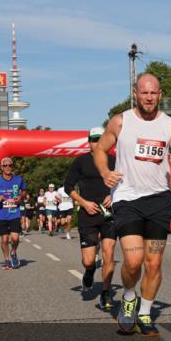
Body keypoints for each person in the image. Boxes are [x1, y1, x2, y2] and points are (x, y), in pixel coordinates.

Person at [95, 73, 171, 338]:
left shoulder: (169, 125)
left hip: (159, 202)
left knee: (153, 264)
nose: (149, 97)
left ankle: (146, 312)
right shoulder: (120, 121)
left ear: (160, 94)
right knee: (134, 260)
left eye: (154, 93)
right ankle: (128, 296)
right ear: (135, 93)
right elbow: (100, 149)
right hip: (127, 199)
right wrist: (105, 173)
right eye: (144, 93)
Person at [65, 126, 119, 309]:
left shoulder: (115, 161)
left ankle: (105, 294)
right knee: (89, 260)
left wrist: (114, 196)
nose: (96, 143)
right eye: (93, 140)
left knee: (109, 253)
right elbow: (68, 187)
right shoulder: (80, 162)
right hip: (88, 215)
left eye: (99, 139)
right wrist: (83, 203)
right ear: (88, 142)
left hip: (110, 214)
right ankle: (89, 271)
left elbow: (128, 183)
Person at [0, 157, 27, 269]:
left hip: (14, 213)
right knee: (4, 239)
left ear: (12, 167)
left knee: (15, 238)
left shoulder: (18, 179)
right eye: (5, 165)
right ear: (2, 168)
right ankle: (7, 259)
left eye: (10, 165)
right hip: (1, 214)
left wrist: (20, 196)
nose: (8, 167)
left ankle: (13, 252)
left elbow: (24, 191)